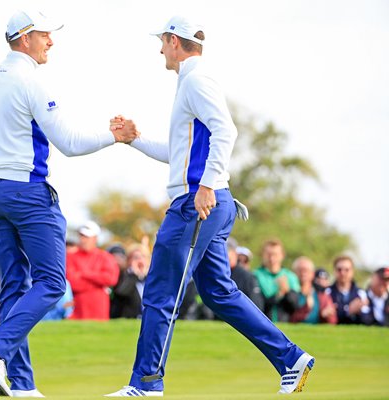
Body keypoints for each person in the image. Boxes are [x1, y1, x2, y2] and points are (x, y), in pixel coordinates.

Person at [105, 16, 314, 396]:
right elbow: (179, 154)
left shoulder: (196, 80)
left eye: (162, 43)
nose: (159, 51)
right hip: (213, 204)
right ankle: (290, 359)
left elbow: (226, 131)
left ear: (173, 41)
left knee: (160, 291)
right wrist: (134, 140)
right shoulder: (190, 82)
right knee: (219, 292)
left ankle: (146, 383)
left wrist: (204, 186)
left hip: (195, 205)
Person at [0, 10, 139, 398]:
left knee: (13, 287)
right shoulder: (32, 82)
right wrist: (114, 136)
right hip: (27, 192)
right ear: (24, 39)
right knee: (53, 282)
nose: (50, 41)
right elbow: (69, 145)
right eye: (44, 35)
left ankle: (21, 386)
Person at [66, 221, 119, 320]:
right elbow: (71, 282)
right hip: (77, 311)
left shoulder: (105, 257)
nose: (83, 240)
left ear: (95, 238)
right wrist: (98, 284)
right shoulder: (70, 257)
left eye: (86, 237)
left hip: (100, 311)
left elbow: (111, 279)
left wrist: (84, 274)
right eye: (81, 236)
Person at [253, 239, 301, 322]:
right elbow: (257, 304)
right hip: (262, 322)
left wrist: (287, 292)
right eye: (268, 254)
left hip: (286, 324)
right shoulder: (255, 275)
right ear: (263, 255)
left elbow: (295, 305)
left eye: (275, 254)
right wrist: (279, 295)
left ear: (282, 255)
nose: (272, 258)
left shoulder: (291, 277)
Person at [290, 256, 337, 324]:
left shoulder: (321, 295)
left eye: (306, 270)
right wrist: (306, 308)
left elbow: (333, 321)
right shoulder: (290, 293)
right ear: (294, 273)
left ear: (312, 274)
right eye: (300, 270)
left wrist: (325, 315)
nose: (303, 273)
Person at [110, 244, 150, 319]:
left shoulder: (151, 278)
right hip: (127, 318)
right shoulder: (122, 275)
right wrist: (134, 274)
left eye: (143, 257)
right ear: (129, 260)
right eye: (136, 257)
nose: (140, 260)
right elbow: (122, 292)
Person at [326, 255, 368, 325]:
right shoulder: (327, 292)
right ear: (334, 271)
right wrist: (349, 311)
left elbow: (367, 319)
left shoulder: (361, 293)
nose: (342, 273)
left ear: (352, 271)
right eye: (339, 270)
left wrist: (359, 312)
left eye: (347, 270)